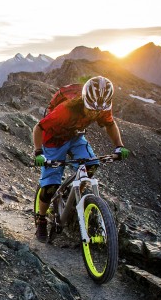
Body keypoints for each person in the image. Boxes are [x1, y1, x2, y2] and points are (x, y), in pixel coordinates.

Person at [32, 76, 129, 241]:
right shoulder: (65, 110)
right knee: (50, 186)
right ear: (83, 100)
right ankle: (41, 219)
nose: (94, 113)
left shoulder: (102, 106)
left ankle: (75, 194)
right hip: (53, 141)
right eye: (91, 109)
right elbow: (39, 127)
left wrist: (119, 145)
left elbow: (110, 124)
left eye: (98, 111)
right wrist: (38, 152)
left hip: (75, 137)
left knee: (91, 165)